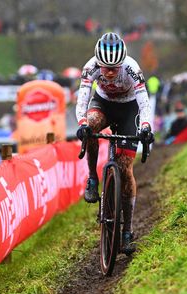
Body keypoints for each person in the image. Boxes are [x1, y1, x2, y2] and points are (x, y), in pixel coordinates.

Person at [75, 32, 154, 255]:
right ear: (98, 63)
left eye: (114, 68)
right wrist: (82, 123)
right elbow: (82, 100)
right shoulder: (90, 67)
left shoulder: (132, 68)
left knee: (125, 168)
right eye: (105, 68)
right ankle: (92, 178)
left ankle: (127, 232)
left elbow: (144, 102)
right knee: (90, 127)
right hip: (104, 104)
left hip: (129, 110)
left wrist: (146, 127)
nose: (109, 73)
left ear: (122, 63)